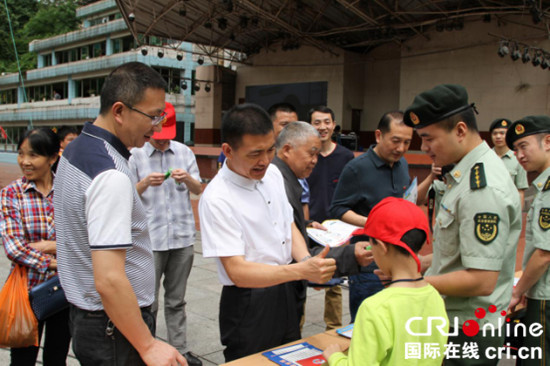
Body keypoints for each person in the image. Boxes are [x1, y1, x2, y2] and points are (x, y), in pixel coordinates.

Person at [53, 62, 187, 366]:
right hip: (111, 328)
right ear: (119, 111)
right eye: (153, 116)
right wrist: (148, 344)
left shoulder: (78, 150)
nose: (156, 126)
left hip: (92, 317)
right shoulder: (109, 174)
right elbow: (110, 278)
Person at [199, 103, 337, 362]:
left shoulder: (273, 173)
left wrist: (307, 261)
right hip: (249, 301)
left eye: (270, 149)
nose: (264, 160)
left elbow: (289, 225)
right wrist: (300, 271)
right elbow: (237, 272)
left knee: (290, 354)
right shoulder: (217, 198)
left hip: (285, 290)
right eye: (254, 154)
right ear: (228, 150)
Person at [403, 84, 521, 365]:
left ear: (459, 130)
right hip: (458, 322)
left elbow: (482, 279)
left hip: (470, 330)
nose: (424, 147)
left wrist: (412, 284)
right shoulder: (465, 174)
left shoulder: (482, 187)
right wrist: (413, 266)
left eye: (428, 138)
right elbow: (457, 254)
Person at [323, 197, 448, 366]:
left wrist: (335, 357)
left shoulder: (375, 307)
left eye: (371, 245)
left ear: (382, 247)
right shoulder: (435, 296)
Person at [272, 122, 372, 328]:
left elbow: (286, 229)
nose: (315, 161)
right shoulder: (276, 182)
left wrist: (306, 225)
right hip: (275, 296)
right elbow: (284, 246)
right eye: (312, 154)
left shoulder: (287, 179)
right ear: (287, 150)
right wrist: (349, 255)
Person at [129, 102, 203, 366]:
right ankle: (148, 348)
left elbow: (199, 189)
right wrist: (145, 182)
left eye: (166, 138)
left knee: (176, 299)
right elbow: (126, 195)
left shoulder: (184, 152)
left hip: (182, 236)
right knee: (148, 300)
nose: (162, 143)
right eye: (157, 138)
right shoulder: (136, 154)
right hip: (150, 239)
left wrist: (188, 179)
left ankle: (180, 349)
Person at [330, 111, 413, 321]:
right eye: (396, 141)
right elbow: (338, 209)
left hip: (400, 255)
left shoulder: (402, 163)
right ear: (378, 136)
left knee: (395, 319)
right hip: (370, 259)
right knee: (366, 321)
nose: (401, 148)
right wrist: (372, 222)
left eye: (407, 142)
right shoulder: (357, 168)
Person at [0, 128, 71, 365]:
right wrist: (56, 261)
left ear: (52, 158)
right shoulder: (11, 194)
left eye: (33, 155)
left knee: (57, 356)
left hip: (65, 291)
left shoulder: (68, 191)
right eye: (21, 154)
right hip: (27, 290)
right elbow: (14, 248)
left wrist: (48, 245)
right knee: (22, 359)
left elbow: (82, 239)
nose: (25, 162)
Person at [507, 116, 550, 365]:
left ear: (547, 142)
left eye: (523, 146)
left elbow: (544, 253)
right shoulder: (542, 186)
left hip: (545, 296)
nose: (519, 155)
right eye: (515, 149)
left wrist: (518, 291)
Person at [307, 105, 355, 329]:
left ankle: (333, 330)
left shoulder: (346, 156)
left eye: (326, 122)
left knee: (334, 283)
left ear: (334, 125)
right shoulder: (306, 154)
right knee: (300, 277)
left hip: (335, 228)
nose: (322, 127)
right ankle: (293, 331)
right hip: (307, 225)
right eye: (317, 122)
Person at [489, 118, 528, 206]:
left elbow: (520, 191)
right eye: (495, 133)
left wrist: (519, 216)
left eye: (502, 133)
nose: (498, 136)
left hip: (509, 207)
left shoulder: (518, 159)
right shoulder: (484, 157)